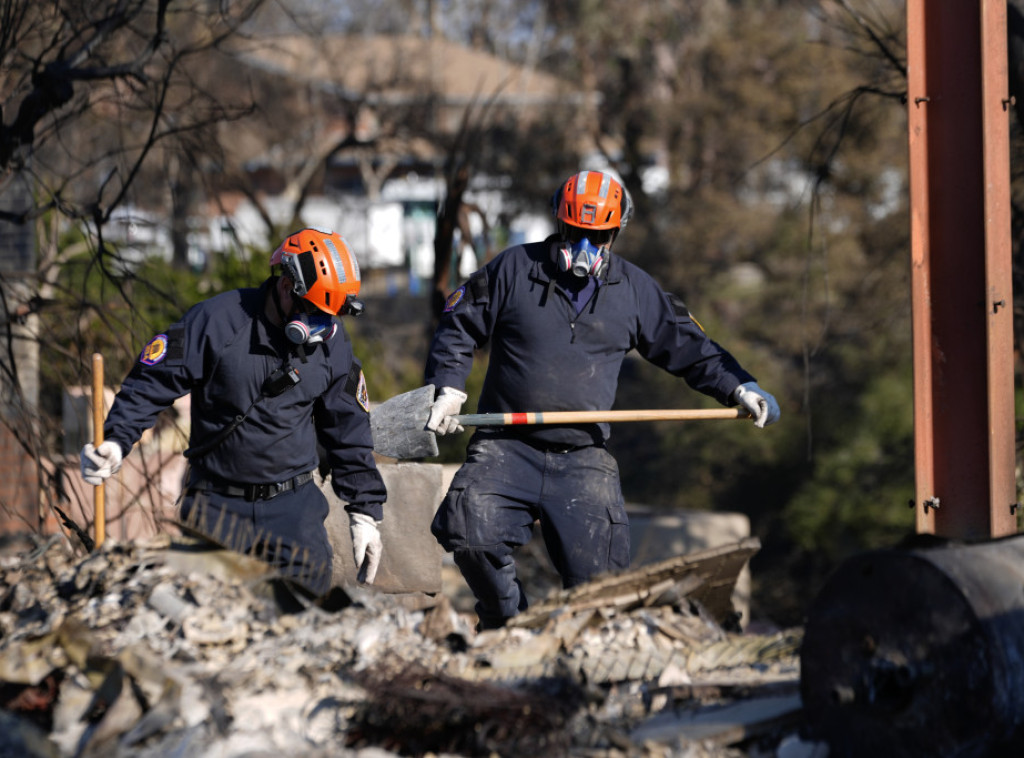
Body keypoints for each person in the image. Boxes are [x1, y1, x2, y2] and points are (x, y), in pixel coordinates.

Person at [423, 170, 780, 630]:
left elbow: (689, 347)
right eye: (576, 233)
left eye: (598, 237)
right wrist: (448, 388)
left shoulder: (634, 291)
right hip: (504, 447)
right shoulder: (512, 269)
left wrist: (739, 386)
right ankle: (507, 625)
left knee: (602, 590)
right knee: (469, 534)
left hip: (583, 458)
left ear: (613, 235)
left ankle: (577, 652)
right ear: (560, 223)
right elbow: (458, 325)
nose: (585, 247)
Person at [80, 228, 387, 595]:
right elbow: (151, 383)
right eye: (315, 312)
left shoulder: (332, 342)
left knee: (303, 625)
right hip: (217, 507)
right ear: (288, 288)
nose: (323, 326)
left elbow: (348, 426)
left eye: (331, 316)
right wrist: (115, 440)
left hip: (294, 511)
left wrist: (364, 510)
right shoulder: (216, 321)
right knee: (208, 624)